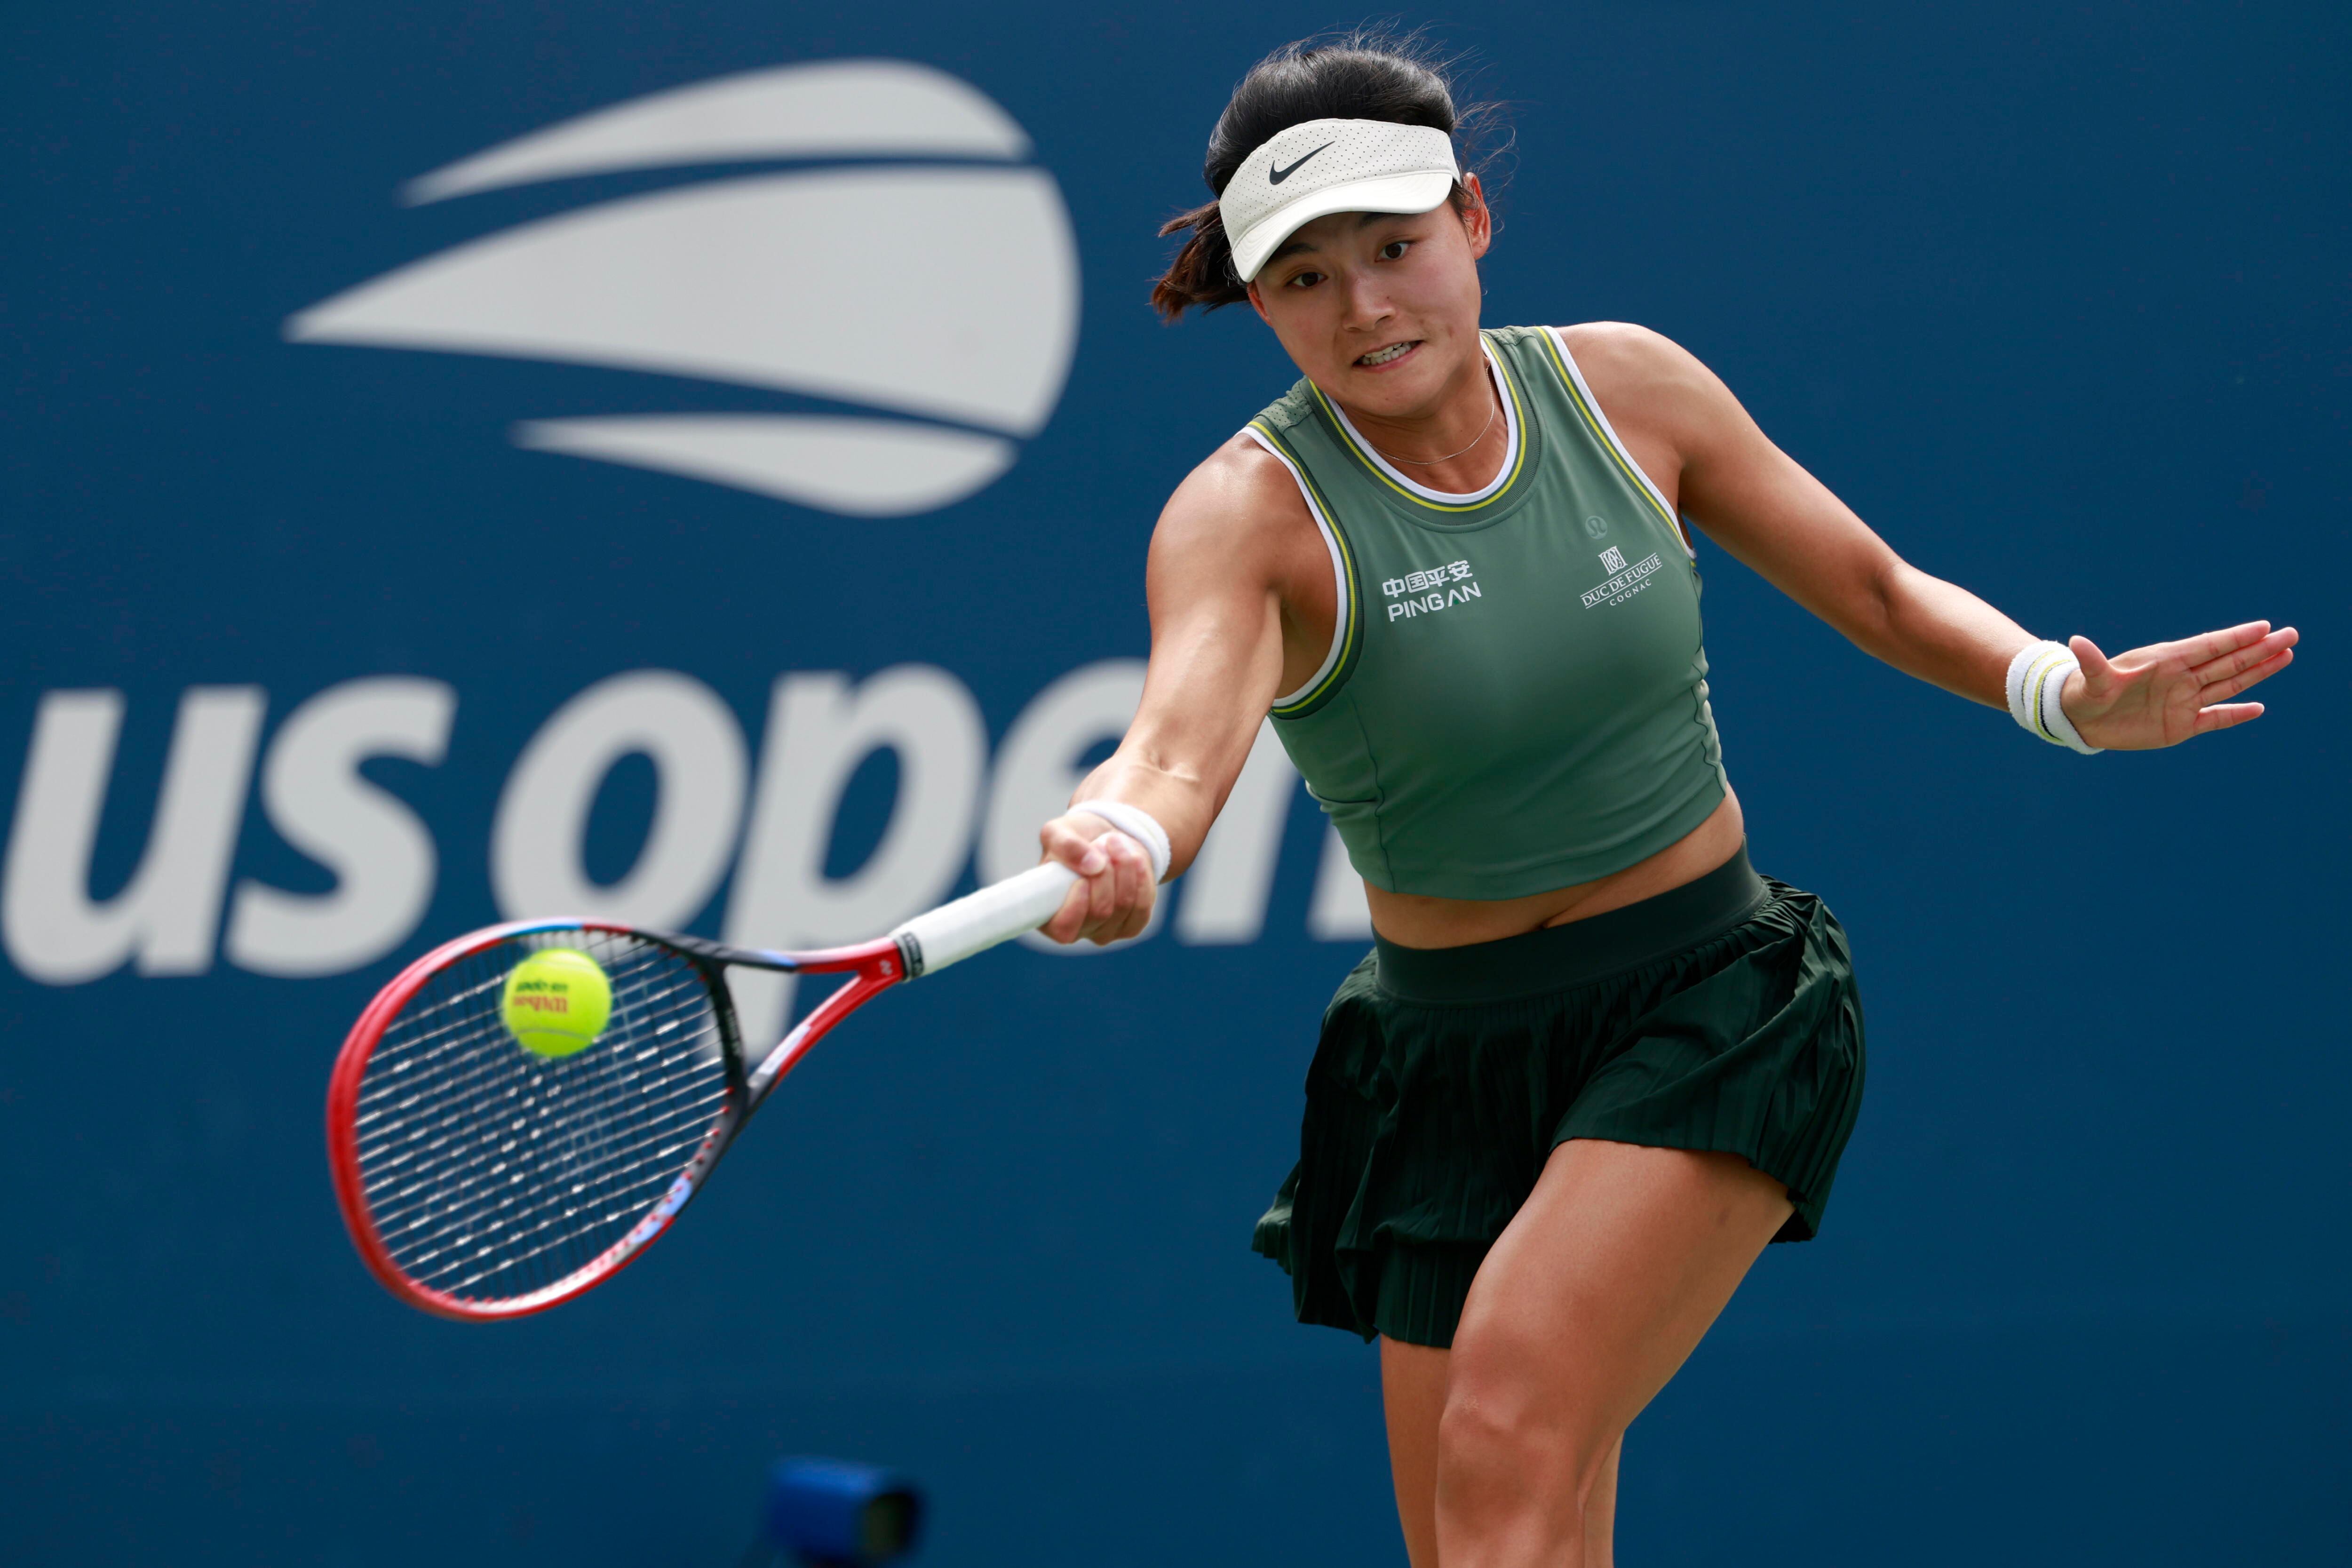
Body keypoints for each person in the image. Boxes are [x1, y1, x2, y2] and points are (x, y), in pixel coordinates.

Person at [1030, 33, 2297, 1568]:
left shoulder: (1628, 389)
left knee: (1505, 1445)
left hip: (1709, 1007)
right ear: (1259, 301)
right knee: (1494, 1531)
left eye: (1394, 246)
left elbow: (1883, 591)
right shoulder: (1246, 513)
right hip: (1440, 1061)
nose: (1365, 303)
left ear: (1473, 222)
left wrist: (2061, 693)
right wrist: (1127, 835)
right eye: (1303, 277)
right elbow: (1174, 746)